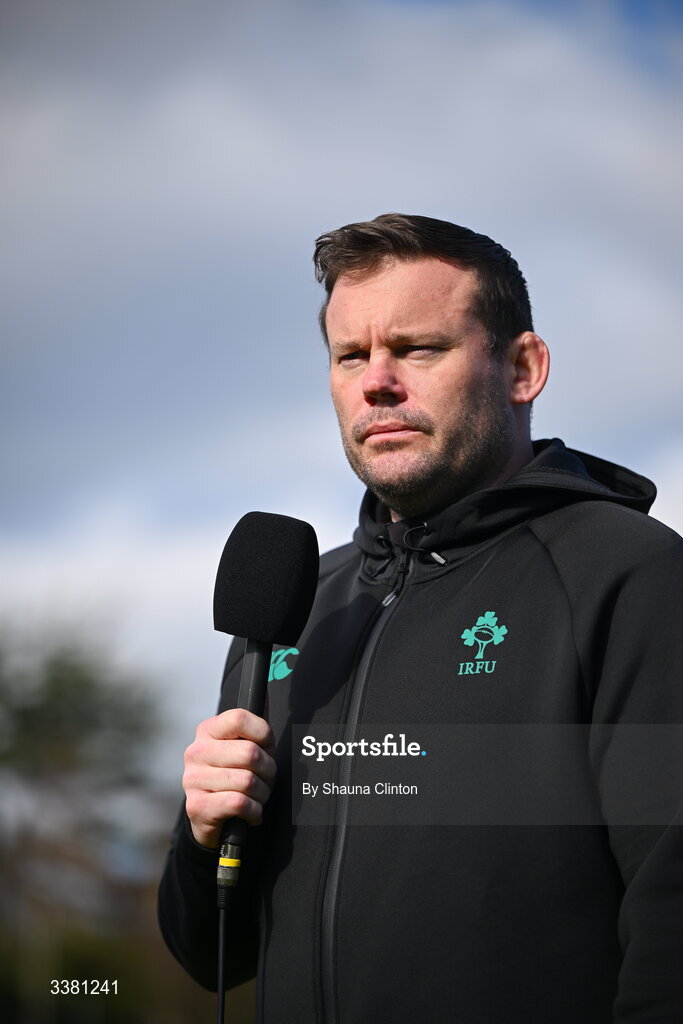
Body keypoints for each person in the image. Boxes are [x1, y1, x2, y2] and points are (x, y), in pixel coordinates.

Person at [158, 214, 683, 1023]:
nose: (376, 381)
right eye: (350, 356)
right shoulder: (293, 608)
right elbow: (207, 958)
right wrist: (202, 839)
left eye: (416, 349)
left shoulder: (628, 573)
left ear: (521, 367)